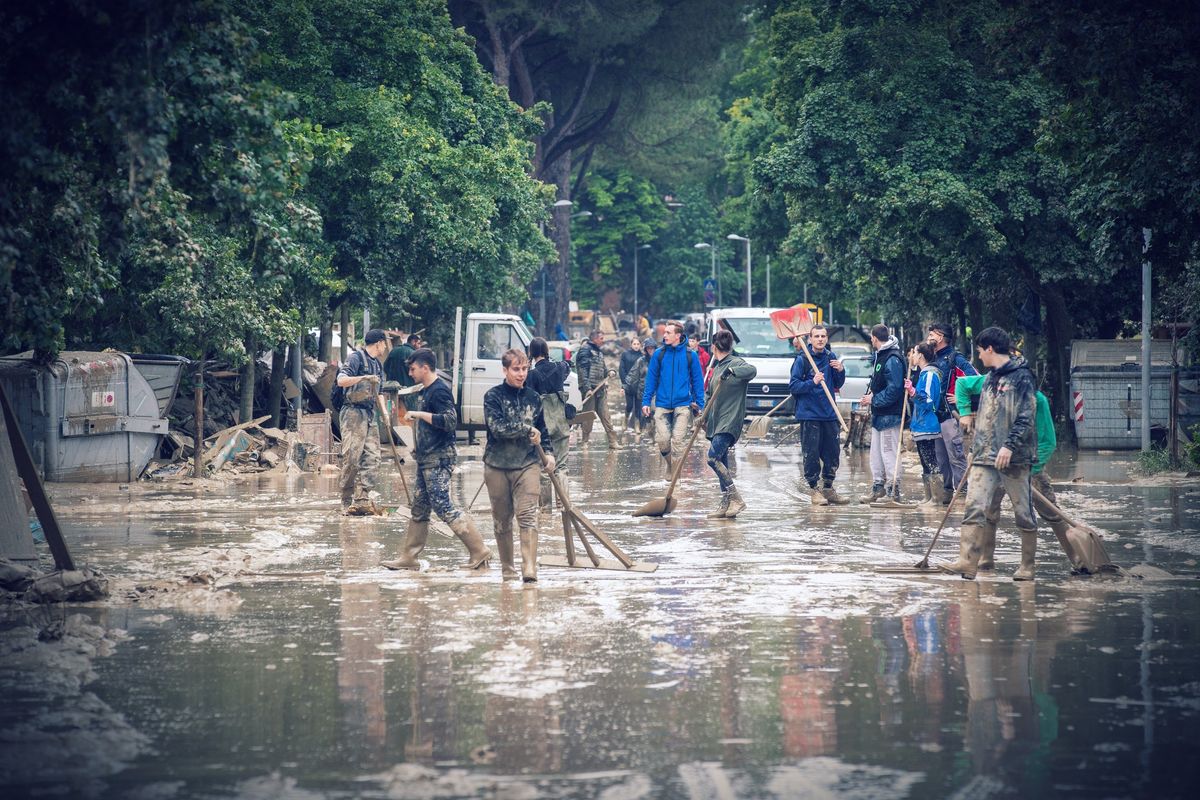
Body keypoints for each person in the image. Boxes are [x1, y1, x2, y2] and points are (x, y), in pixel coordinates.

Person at [939, 327, 1039, 581]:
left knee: (1023, 511)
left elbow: (1027, 415)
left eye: (980, 351)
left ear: (990, 349)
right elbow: (983, 417)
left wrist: (1009, 446)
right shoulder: (990, 378)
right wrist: (974, 450)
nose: (979, 357)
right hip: (984, 456)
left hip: (1014, 457)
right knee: (974, 507)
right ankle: (967, 562)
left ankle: (1027, 566)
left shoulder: (1022, 377)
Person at [381, 349, 492, 571]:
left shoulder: (439, 391)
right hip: (426, 457)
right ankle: (409, 557)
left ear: (425, 367)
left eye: (413, 369)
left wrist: (420, 415)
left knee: (443, 505)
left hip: (439, 457)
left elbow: (451, 421)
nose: (410, 373)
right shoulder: (426, 390)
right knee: (420, 507)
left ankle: (479, 550)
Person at [956, 359, 1063, 572]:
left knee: (1049, 512)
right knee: (989, 511)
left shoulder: (1036, 401)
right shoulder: (996, 389)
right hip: (995, 464)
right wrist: (966, 412)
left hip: (1027, 465)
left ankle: (1077, 557)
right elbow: (963, 385)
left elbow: (1048, 441)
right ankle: (985, 559)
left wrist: (1031, 470)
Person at [483, 348, 554, 582]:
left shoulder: (533, 398)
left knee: (527, 516)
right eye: (516, 369)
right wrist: (526, 430)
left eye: (525, 369)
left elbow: (543, 430)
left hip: (527, 464)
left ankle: (529, 569)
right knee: (502, 520)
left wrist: (550, 454)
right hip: (497, 466)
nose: (521, 374)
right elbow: (498, 428)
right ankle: (508, 570)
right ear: (505, 370)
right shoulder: (492, 397)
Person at [788, 323, 848, 506]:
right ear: (810, 339)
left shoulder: (831, 357)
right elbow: (793, 386)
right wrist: (812, 382)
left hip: (829, 413)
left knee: (832, 453)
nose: (820, 339)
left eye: (823, 336)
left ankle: (828, 488)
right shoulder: (803, 360)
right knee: (811, 454)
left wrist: (841, 371)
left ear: (826, 339)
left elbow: (838, 383)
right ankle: (814, 489)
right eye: (817, 336)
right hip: (810, 414)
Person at [703, 329, 757, 518]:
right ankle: (726, 504)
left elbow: (752, 371)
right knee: (722, 461)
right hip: (716, 422)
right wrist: (703, 414)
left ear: (713, 347)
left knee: (713, 458)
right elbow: (709, 395)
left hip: (730, 420)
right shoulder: (716, 367)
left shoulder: (736, 363)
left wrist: (732, 371)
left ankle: (736, 499)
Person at [642, 320, 705, 476]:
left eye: (668, 333)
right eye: (664, 333)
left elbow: (697, 381)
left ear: (678, 335)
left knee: (677, 442)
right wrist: (646, 401)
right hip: (662, 403)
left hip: (683, 404)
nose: (664, 335)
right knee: (663, 441)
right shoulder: (659, 354)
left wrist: (700, 405)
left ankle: (676, 475)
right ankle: (670, 464)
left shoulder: (691, 355)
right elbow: (651, 379)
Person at [335, 329, 386, 514]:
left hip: (370, 414)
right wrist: (363, 377)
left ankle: (362, 497)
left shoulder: (378, 366)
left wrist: (385, 415)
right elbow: (341, 381)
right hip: (353, 414)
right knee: (352, 457)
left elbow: (379, 392)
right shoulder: (356, 358)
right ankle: (346, 498)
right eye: (384, 343)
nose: (385, 347)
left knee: (373, 457)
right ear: (379, 343)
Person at [927, 323, 977, 503]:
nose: (929, 336)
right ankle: (946, 495)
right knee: (941, 460)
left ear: (941, 337)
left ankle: (963, 495)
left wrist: (961, 400)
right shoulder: (932, 358)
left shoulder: (955, 358)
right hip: (935, 417)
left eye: (932, 334)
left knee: (956, 457)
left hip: (951, 416)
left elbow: (975, 380)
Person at [859, 324, 906, 503]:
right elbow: (882, 384)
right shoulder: (881, 356)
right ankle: (878, 488)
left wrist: (874, 399)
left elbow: (895, 389)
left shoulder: (892, 358)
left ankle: (893, 491)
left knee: (889, 452)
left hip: (890, 415)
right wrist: (872, 395)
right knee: (876, 454)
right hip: (879, 414)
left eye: (871, 338)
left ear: (874, 338)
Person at [526, 337, 572, 509]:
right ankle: (565, 505)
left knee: (544, 471)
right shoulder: (559, 368)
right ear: (546, 351)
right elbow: (567, 365)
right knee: (562, 467)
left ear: (531, 353)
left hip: (542, 430)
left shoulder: (531, 375)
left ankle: (545, 510)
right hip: (561, 425)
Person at [908, 342, 943, 508]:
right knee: (924, 462)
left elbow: (928, 400)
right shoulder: (923, 374)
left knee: (930, 462)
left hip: (927, 425)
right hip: (920, 425)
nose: (912, 356)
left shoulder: (929, 375)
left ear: (921, 355)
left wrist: (914, 392)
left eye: (914, 353)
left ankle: (935, 499)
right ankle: (928, 497)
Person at [576, 329, 616, 447]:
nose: (603, 341)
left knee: (606, 415)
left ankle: (613, 441)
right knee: (588, 417)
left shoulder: (599, 351)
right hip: (590, 390)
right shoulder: (585, 350)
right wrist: (587, 388)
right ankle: (585, 441)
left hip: (600, 389)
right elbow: (582, 371)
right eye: (601, 338)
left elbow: (602, 367)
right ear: (594, 339)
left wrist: (609, 372)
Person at [625, 340, 656, 439]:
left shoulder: (659, 360)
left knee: (654, 412)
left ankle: (654, 435)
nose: (650, 350)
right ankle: (644, 431)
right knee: (642, 413)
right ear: (646, 349)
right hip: (642, 389)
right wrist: (626, 386)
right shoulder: (641, 361)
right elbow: (633, 374)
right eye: (648, 348)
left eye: (652, 348)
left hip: (656, 391)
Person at [619, 338, 644, 431]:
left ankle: (637, 426)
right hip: (628, 384)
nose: (636, 346)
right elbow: (622, 370)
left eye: (638, 344)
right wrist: (624, 385)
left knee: (638, 407)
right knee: (629, 405)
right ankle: (625, 419)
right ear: (631, 345)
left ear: (640, 345)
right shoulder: (625, 354)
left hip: (639, 385)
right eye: (634, 344)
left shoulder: (642, 356)